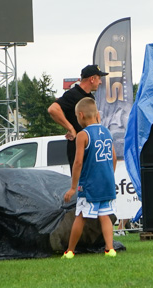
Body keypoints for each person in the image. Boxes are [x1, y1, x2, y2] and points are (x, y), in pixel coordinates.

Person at [62, 98, 118, 259]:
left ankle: (70, 250)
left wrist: (73, 187)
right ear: (97, 115)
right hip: (107, 182)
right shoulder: (107, 132)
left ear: (80, 115)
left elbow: (78, 162)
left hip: (90, 184)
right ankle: (110, 249)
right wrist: (109, 174)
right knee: (104, 215)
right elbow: (113, 158)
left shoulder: (83, 135)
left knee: (81, 215)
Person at [48, 64, 109, 170]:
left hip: (91, 145)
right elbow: (53, 109)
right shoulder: (73, 94)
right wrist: (71, 128)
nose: (100, 82)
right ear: (92, 79)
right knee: (81, 181)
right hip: (78, 147)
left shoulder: (89, 96)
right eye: (99, 78)